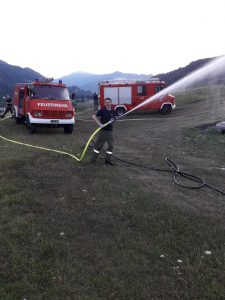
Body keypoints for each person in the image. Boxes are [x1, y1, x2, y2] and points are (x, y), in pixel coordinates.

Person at [91, 97, 116, 165]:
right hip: (103, 131)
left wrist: (113, 121)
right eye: (106, 102)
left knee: (111, 146)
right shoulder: (102, 110)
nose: (108, 104)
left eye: (109, 102)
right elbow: (93, 116)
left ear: (111, 102)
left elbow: (114, 119)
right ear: (105, 103)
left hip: (110, 131)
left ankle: (107, 160)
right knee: (98, 146)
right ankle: (93, 160)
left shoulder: (113, 111)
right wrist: (99, 124)